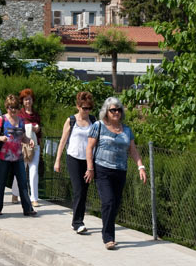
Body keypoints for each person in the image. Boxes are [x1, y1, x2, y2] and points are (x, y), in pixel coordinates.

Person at [85, 97, 148, 250]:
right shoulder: (98, 126)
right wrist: (90, 168)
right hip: (102, 169)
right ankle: (108, 237)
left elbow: (132, 150)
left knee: (115, 204)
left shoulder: (126, 130)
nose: (116, 112)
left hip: (120, 171)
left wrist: (141, 166)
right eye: (113, 110)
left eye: (119, 110)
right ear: (106, 112)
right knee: (108, 201)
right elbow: (89, 148)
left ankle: (108, 230)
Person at [54, 91, 96, 234]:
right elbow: (63, 141)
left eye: (89, 108)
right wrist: (57, 160)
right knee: (78, 189)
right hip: (73, 158)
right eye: (84, 108)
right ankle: (78, 222)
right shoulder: (71, 120)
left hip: (88, 160)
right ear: (78, 106)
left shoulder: (93, 121)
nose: (87, 111)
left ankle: (77, 220)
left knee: (84, 191)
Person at [0, 94, 38, 217]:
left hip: (17, 157)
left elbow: (22, 137)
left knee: (23, 182)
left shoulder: (21, 120)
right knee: (0, 183)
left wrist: (29, 140)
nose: (13, 110)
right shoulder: (2, 119)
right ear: (7, 107)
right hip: (2, 157)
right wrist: (0, 137)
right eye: (11, 107)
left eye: (16, 107)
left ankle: (28, 208)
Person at [11, 88, 43, 207]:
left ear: (32, 100)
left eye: (29, 99)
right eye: (25, 99)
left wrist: (37, 128)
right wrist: (29, 127)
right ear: (22, 101)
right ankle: (15, 193)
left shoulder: (36, 115)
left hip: (35, 146)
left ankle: (34, 198)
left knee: (34, 171)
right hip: (22, 146)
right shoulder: (19, 114)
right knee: (20, 171)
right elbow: (17, 129)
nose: (27, 102)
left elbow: (40, 131)